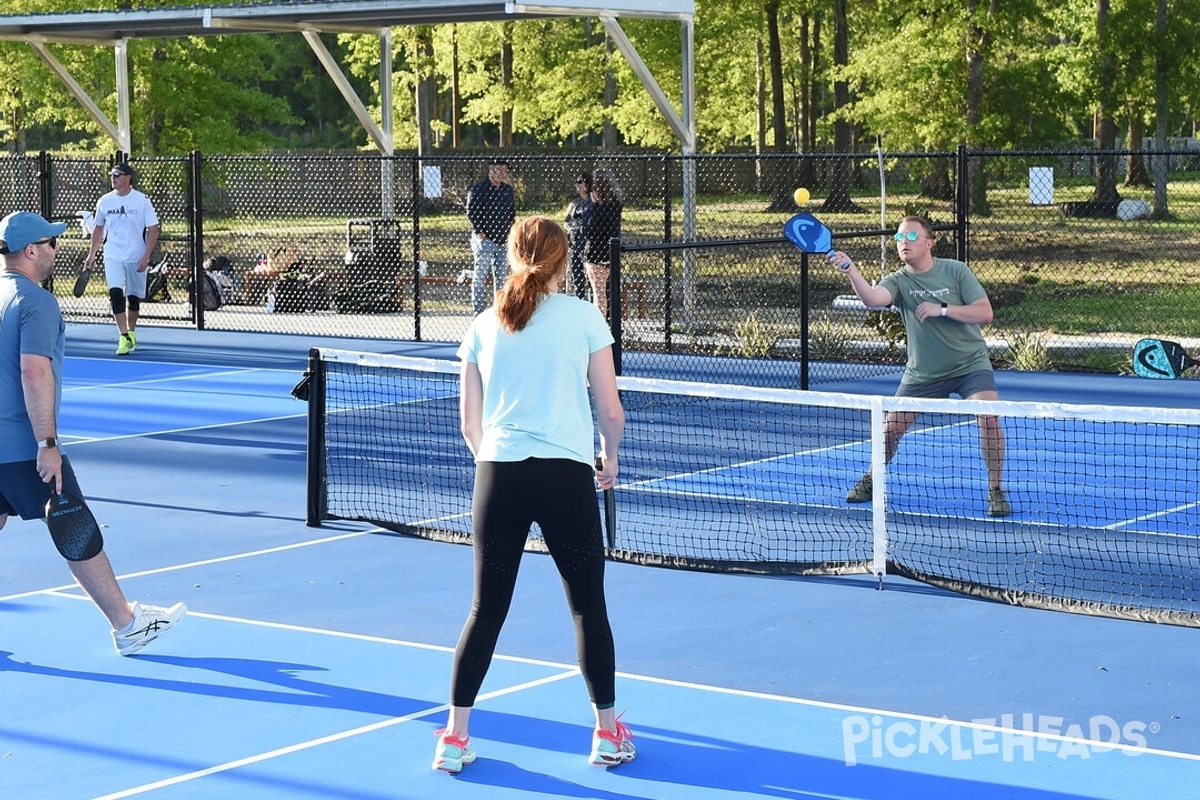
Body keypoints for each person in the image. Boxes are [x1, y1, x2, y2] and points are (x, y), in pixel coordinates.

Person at [433, 216, 632, 774]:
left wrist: (493, 464)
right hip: (565, 478)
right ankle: (608, 733)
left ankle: (454, 737)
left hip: (497, 475)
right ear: (562, 261)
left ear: (514, 256)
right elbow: (610, 410)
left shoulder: (482, 324)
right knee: (588, 606)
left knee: (485, 608)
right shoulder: (585, 317)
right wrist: (608, 454)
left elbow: (469, 425)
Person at [0, 212, 186, 654]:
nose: (56, 251)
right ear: (31, 250)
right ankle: (127, 625)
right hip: (22, 447)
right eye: (51, 243)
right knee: (75, 527)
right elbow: (34, 372)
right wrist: (47, 444)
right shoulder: (35, 302)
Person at [827, 215, 1010, 518]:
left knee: (989, 419)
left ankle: (995, 490)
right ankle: (872, 478)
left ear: (929, 242)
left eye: (911, 237)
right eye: (899, 238)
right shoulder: (899, 281)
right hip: (924, 372)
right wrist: (853, 272)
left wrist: (943, 310)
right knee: (889, 430)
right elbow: (873, 299)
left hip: (970, 364)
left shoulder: (955, 271)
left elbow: (984, 313)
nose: (903, 243)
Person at [82, 162, 160, 356]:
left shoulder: (142, 200)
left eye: (117, 175)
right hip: (113, 254)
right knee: (115, 293)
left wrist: (146, 255)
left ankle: (131, 332)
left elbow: (153, 229)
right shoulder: (105, 201)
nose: (113, 178)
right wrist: (91, 255)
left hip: (136, 256)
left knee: (133, 299)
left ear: (128, 178)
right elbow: (98, 228)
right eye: (111, 174)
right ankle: (123, 336)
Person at [465, 158, 517, 315]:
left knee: (501, 278)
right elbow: (472, 211)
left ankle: (499, 310)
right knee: (480, 276)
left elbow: (511, 213)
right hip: (485, 240)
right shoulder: (479, 189)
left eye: (505, 170)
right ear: (491, 169)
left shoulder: (507, 190)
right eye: (500, 169)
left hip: (503, 240)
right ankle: (478, 311)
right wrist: (480, 232)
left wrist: (509, 230)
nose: (502, 173)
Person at [584, 168, 623, 319]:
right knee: (607, 294)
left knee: (598, 294)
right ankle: (610, 324)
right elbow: (612, 230)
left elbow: (591, 231)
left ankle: (599, 327)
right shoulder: (615, 205)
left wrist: (585, 223)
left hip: (595, 255)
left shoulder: (599, 207)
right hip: (609, 254)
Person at [564, 171, 594, 299]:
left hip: (587, 242)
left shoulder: (593, 202)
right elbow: (566, 222)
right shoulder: (574, 203)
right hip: (574, 242)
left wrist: (580, 225)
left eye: (580, 182)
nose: (577, 185)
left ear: (587, 184)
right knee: (577, 275)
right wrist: (574, 227)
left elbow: (591, 222)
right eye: (576, 183)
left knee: (589, 277)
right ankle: (579, 298)